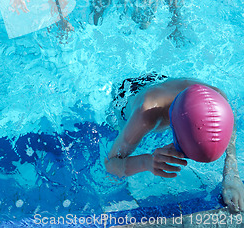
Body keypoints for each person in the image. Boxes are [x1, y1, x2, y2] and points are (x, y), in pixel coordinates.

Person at [105, 76, 244, 213]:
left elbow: (228, 128)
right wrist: (146, 162)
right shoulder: (145, 117)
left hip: (159, 83)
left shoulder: (217, 98)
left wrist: (232, 174)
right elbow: (110, 164)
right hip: (126, 98)